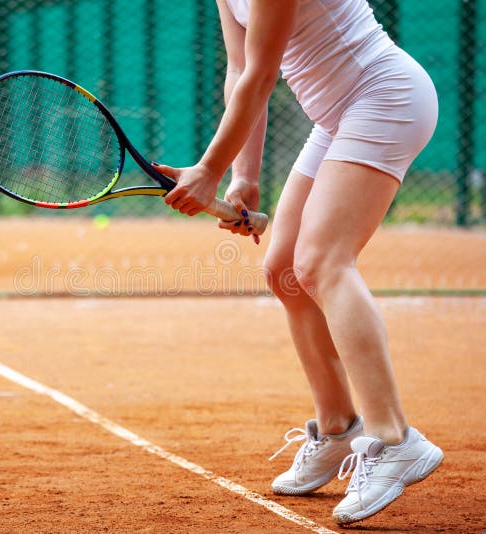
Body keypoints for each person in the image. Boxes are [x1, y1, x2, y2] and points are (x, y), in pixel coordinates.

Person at [153, 0, 443, 525]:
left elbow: (262, 76)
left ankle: (394, 438)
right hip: (335, 117)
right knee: (284, 270)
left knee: (323, 263)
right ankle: (338, 427)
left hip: (383, 96)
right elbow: (240, 70)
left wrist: (208, 171)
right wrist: (242, 176)